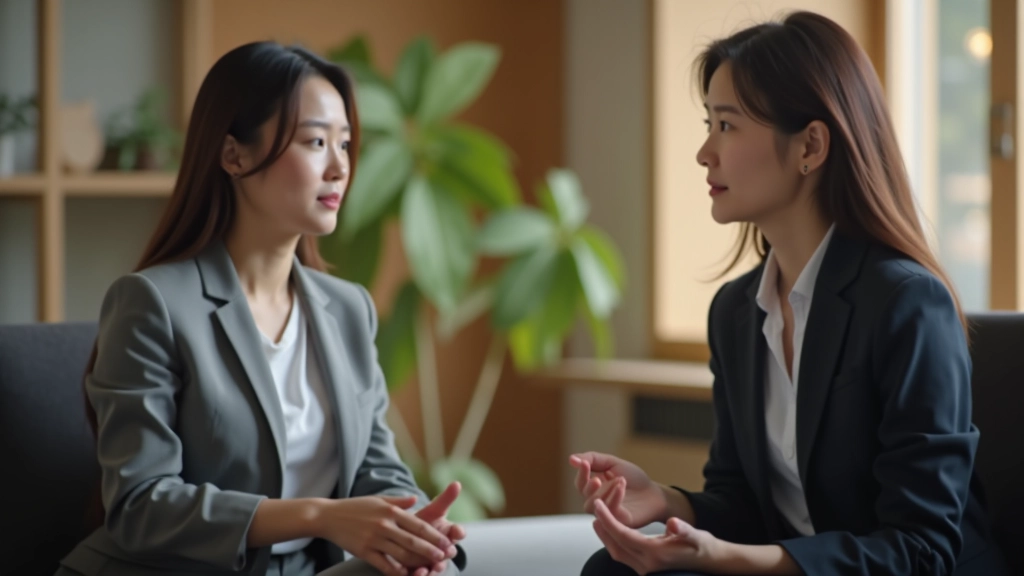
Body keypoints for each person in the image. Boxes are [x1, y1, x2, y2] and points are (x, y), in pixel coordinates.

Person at [571, 11, 1010, 576]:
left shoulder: (906, 304)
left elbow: (920, 549)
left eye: (726, 126)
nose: (705, 152)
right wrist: (666, 499)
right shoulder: (735, 311)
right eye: (709, 124)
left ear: (811, 146)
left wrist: (724, 557)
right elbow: (741, 504)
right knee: (610, 570)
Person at [56, 42, 465, 576]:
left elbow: (376, 469)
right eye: (316, 141)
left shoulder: (348, 310)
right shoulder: (152, 302)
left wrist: (417, 530)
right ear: (234, 156)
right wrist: (321, 516)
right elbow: (141, 504)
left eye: (345, 144)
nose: (340, 166)